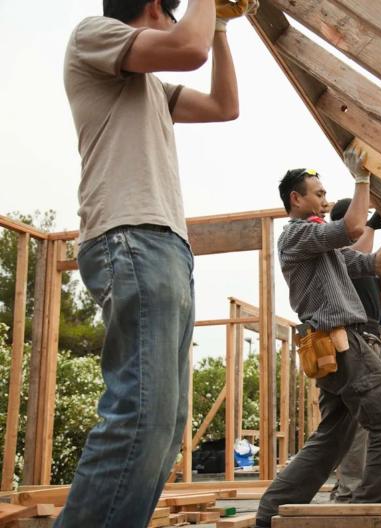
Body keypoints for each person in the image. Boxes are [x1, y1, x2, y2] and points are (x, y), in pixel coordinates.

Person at [57, 1, 250, 526]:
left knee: (164, 426)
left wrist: (224, 27)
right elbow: (188, 48)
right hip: (130, 236)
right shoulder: (94, 36)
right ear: (154, 8)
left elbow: (224, 106)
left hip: (163, 246)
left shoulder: (150, 91)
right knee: (140, 416)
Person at [255, 148, 381, 527]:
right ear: (297, 199)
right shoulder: (296, 234)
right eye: (318, 194)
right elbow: (355, 227)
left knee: (333, 440)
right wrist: (362, 179)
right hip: (342, 344)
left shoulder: (321, 248)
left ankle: (269, 515)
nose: (325, 202)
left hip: (336, 347)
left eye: (326, 194)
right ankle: (368, 513)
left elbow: (372, 263)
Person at [326, 199, 381, 503]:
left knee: (359, 422)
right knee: (362, 422)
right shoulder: (336, 254)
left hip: (368, 339)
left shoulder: (363, 261)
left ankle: (348, 489)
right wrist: (375, 223)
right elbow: (361, 251)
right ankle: (349, 491)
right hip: (353, 341)